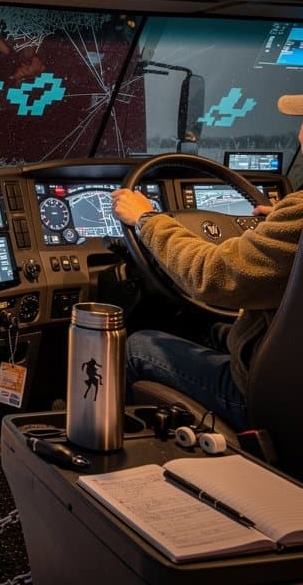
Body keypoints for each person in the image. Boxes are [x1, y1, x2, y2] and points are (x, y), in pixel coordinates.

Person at [109, 94, 303, 430]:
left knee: (135, 347)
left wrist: (146, 219)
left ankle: (115, 470)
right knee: (203, 328)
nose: (299, 134)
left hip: (268, 401)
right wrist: (278, 222)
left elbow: (211, 277)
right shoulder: (293, 220)